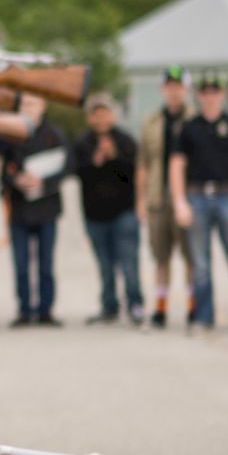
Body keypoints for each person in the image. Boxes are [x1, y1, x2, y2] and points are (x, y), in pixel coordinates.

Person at [169, 72, 228, 331]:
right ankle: (203, 318)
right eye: (205, 92)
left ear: (223, 94)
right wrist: (179, 201)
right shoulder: (189, 127)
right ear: (199, 95)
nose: (210, 96)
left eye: (215, 91)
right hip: (197, 197)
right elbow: (176, 165)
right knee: (200, 265)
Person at [0, 95, 70, 327]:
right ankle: (25, 309)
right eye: (24, 104)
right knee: (21, 263)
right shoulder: (10, 135)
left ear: (43, 106)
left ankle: (46, 310)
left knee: (45, 263)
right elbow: (0, 168)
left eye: (33, 104)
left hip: (47, 208)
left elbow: (68, 165)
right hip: (19, 209)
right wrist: (16, 179)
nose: (28, 108)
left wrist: (43, 183)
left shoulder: (54, 135)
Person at [73, 92, 144, 325]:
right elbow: (76, 172)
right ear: (89, 118)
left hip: (124, 212)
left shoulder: (125, 140)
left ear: (112, 115)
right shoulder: (83, 143)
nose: (101, 118)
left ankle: (135, 304)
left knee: (128, 262)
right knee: (105, 265)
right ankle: (109, 305)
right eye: (96, 114)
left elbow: (135, 171)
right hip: (95, 215)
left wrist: (115, 156)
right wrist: (95, 161)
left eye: (105, 113)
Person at [136, 65, 195, 328]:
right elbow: (143, 164)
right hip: (158, 196)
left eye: (178, 86)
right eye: (169, 87)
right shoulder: (151, 122)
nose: (174, 91)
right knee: (160, 256)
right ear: (163, 90)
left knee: (191, 256)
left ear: (186, 89)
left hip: (187, 197)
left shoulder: (195, 120)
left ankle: (194, 307)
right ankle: (160, 308)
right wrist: (140, 200)